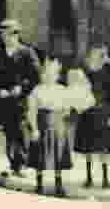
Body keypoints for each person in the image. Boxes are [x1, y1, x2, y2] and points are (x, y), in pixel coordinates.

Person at [24, 54, 95, 197]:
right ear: (42, 75)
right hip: (42, 123)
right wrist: (34, 129)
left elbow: (71, 107)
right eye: (46, 74)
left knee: (58, 154)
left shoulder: (62, 90)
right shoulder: (37, 90)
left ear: (57, 75)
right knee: (40, 154)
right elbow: (31, 111)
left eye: (53, 74)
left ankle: (58, 184)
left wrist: (70, 109)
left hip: (58, 125)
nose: (49, 76)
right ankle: (39, 184)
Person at [0, 18, 40, 176]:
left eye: (6, 35)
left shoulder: (27, 52)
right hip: (5, 100)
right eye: (2, 35)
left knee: (22, 131)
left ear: (15, 35)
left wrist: (22, 88)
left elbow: (36, 77)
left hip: (22, 100)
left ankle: (23, 165)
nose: (4, 38)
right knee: (9, 131)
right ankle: (14, 164)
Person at [74, 43, 110, 189]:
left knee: (103, 147)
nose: (98, 56)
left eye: (101, 54)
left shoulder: (107, 73)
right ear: (90, 54)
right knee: (87, 147)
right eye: (96, 53)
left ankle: (105, 179)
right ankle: (89, 178)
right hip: (87, 112)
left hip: (102, 113)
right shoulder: (83, 71)